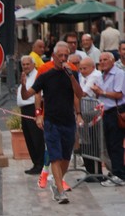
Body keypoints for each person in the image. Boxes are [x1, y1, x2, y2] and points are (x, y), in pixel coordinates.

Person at [21, 42, 84, 204]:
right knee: (55, 156)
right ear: (54, 56)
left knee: (65, 157)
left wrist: (78, 114)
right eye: (60, 56)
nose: (63, 59)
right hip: (51, 121)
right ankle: (61, 191)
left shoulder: (72, 72)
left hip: (68, 121)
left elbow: (79, 94)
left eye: (66, 56)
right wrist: (38, 114)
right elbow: (30, 94)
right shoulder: (45, 73)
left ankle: (57, 183)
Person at [90, 52, 125, 185]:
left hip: (116, 112)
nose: (102, 62)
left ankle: (119, 175)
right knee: (110, 144)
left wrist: (101, 92)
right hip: (105, 112)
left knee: (116, 144)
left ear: (112, 61)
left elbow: (118, 94)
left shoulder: (119, 74)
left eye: (105, 59)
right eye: (100, 60)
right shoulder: (102, 75)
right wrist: (97, 92)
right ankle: (116, 171)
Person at [17, 56, 45, 174]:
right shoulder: (25, 76)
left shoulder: (37, 75)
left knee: (37, 138)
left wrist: (39, 113)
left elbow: (40, 95)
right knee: (29, 137)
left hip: (33, 108)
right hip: (24, 110)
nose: (25, 66)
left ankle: (40, 164)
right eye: (23, 64)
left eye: (28, 64)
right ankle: (36, 163)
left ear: (33, 64)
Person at [77, 57, 104, 179]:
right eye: (80, 68)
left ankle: (96, 173)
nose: (82, 71)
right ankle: (90, 172)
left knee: (94, 144)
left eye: (84, 68)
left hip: (94, 116)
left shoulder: (95, 75)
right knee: (86, 144)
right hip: (85, 114)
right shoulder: (84, 76)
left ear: (92, 67)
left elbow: (82, 93)